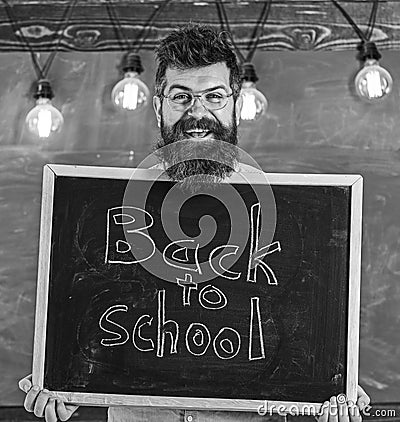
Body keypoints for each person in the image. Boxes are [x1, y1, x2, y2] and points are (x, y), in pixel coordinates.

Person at [19, 24, 370, 422]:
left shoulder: (294, 218)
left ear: (235, 104)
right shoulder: (106, 211)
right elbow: (85, 343)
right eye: (181, 97)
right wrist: (64, 383)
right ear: (158, 107)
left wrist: (332, 386)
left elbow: (310, 353)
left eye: (214, 97)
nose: (197, 112)